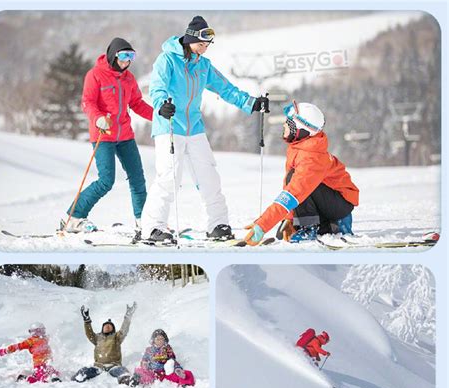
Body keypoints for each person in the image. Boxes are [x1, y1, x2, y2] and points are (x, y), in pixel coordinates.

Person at [141, 15, 269, 243]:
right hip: (169, 125)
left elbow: (226, 89)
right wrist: (162, 106)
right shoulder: (167, 60)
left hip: (195, 128)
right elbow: (157, 86)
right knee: (169, 177)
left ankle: (217, 224)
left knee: (209, 176)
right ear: (189, 39)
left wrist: (251, 103)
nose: (205, 48)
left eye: (208, 45)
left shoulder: (204, 66)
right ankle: (152, 227)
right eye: (201, 44)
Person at [61, 37, 153, 237]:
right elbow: (87, 102)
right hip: (103, 134)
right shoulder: (95, 75)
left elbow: (137, 103)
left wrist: (159, 116)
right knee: (106, 181)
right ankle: (74, 217)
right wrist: (99, 118)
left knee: (138, 179)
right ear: (113, 56)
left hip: (125, 135)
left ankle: (143, 221)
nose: (127, 61)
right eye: (123, 56)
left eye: (131, 56)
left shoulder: (129, 78)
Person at [244, 100, 359, 245]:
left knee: (297, 183)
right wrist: (291, 219)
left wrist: (262, 225)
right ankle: (323, 227)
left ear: (300, 130)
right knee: (294, 181)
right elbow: (290, 188)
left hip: (339, 205)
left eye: (289, 123)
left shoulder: (311, 158)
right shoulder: (299, 147)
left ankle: (310, 227)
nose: (284, 125)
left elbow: (293, 192)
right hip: (326, 203)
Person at [71, 303, 137, 385]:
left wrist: (128, 316)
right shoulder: (97, 338)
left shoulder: (117, 337)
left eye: (110, 326)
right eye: (105, 326)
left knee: (122, 371)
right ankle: (76, 379)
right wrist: (86, 320)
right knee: (84, 371)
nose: (107, 327)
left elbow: (124, 330)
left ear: (113, 329)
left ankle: (127, 380)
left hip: (114, 366)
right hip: (98, 366)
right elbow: (89, 333)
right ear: (102, 328)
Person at [130, 329, 195, 387]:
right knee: (140, 372)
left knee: (187, 374)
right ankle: (135, 380)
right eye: (158, 339)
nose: (160, 341)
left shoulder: (167, 349)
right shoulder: (149, 350)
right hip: (153, 372)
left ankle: (184, 383)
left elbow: (172, 360)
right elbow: (145, 359)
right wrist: (144, 363)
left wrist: (177, 368)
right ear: (153, 340)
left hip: (165, 373)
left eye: (162, 339)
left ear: (165, 340)